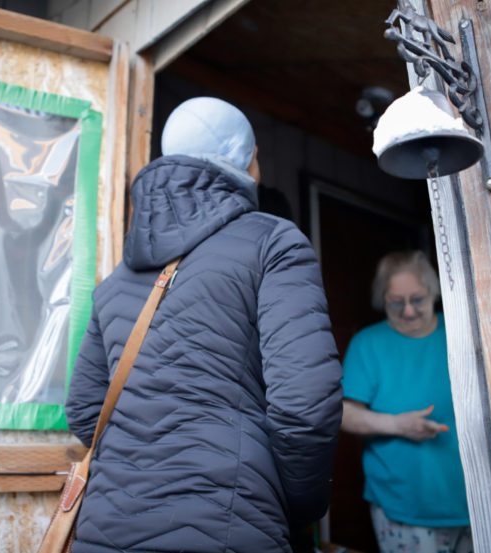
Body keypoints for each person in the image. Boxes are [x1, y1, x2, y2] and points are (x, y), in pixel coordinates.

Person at [65, 97, 344, 553]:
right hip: (229, 529)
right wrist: (298, 507)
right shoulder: (273, 243)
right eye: (257, 154)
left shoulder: (115, 281)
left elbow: (83, 407)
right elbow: (304, 408)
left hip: (105, 531)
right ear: (247, 158)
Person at [340, 250, 471, 553]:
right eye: (396, 302)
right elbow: (344, 413)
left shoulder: (462, 333)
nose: (408, 311)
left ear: (434, 293)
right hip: (402, 505)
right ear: (382, 299)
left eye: (418, 300)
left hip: (476, 500)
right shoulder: (368, 344)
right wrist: (398, 425)